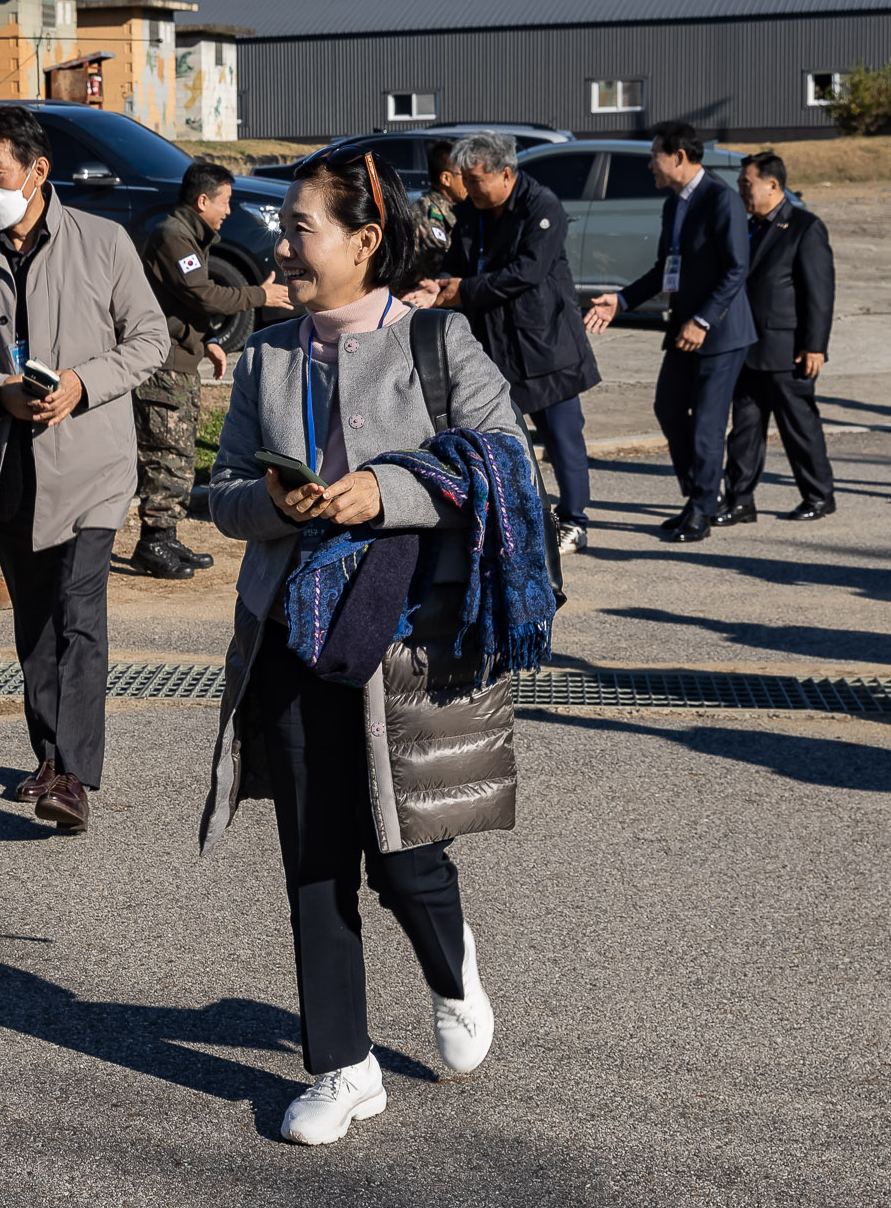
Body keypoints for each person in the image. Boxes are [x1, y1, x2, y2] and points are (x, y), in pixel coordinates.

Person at [204, 148, 532, 1147]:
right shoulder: (265, 355)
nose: (282, 245)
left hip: (401, 636)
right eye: (284, 228)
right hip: (291, 636)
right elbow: (216, 494)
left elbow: (505, 457)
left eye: (300, 227)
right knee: (313, 852)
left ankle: (450, 964)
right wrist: (267, 500)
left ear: (363, 241)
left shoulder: (437, 341)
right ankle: (342, 1066)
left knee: (402, 857)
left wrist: (380, 491)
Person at [0, 105, 168, 832]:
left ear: (38, 171)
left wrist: (80, 383)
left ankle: (73, 774)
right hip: (7, 471)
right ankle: (47, 755)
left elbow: (150, 340)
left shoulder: (104, 243)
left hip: (92, 469)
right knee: (35, 624)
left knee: (79, 615)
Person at [429, 132, 600, 553]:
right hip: (495, 343)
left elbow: (527, 271)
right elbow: (457, 259)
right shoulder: (473, 210)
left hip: (546, 343)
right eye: (463, 180)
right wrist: (438, 282)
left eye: (475, 180)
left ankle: (575, 521)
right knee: (505, 438)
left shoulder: (542, 206)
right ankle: (523, 516)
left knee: (562, 436)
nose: (468, 190)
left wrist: (464, 289)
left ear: (505, 173)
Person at [585, 122, 753, 542]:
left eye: (654, 155)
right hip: (682, 328)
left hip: (719, 332)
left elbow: (736, 269)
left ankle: (700, 509)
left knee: (708, 425)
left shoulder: (722, 199)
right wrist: (622, 300)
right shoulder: (673, 203)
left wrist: (702, 320)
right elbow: (667, 268)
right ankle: (698, 493)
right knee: (669, 407)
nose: (649, 165)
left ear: (678, 156)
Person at [131, 160, 286, 580]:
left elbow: (183, 303)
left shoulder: (189, 236)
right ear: (203, 200)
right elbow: (201, 294)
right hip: (161, 364)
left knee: (179, 455)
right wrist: (260, 294)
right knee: (166, 453)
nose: (229, 211)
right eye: (226, 201)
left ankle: (166, 532)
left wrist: (210, 342)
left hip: (179, 358)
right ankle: (153, 541)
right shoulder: (173, 236)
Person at [719, 152, 837, 523]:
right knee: (745, 430)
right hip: (748, 346)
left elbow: (819, 293)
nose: (741, 190)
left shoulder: (804, 226)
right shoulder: (748, 225)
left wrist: (815, 345)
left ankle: (819, 495)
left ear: (772, 185)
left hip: (787, 350)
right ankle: (740, 500)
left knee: (799, 428)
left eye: (746, 184)